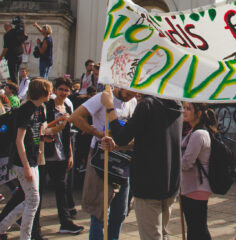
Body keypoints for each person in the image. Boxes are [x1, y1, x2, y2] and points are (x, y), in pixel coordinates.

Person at [100, 88, 182, 240]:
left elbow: (122, 136)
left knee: (152, 236)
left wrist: (110, 107)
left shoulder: (147, 105)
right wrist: (117, 146)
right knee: (162, 233)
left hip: (149, 183)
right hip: (170, 181)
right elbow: (150, 139)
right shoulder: (175, 104)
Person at [70, 87, 137, 240]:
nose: (129, 96)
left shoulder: (132, 102)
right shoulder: (103, 97)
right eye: (128, 91)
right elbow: (75, 117)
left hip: (123, 159)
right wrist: (97, 133)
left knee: (120, 211)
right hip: (102, 158)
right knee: (100, 212)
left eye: (133, 93)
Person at [0, 78, 53, 240]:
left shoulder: (39, 109)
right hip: (23, 162)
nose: (50, 94)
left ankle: (3, 226)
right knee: (33, 200)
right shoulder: (26, 110)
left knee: (31, 200)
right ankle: (24, 236)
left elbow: (34, 135)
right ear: (42, 93)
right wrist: (26, 166)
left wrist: (42, 139)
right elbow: (19, 140)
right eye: (49, 91)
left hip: (32, 159)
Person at [40, 77, 83, 234]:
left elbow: (67, 134)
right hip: (46, 152)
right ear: (55, 90)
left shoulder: (67, 107)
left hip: (62, 153)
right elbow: (41, 128)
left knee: (62, 188)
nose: (64, 93)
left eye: (66, 90)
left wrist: (70, 154)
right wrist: (58, 120)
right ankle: (32, 224)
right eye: (61, 89)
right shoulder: (47, 105)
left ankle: (65, 221)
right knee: (39, 189)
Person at [181, 103, 216, 240]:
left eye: (188, 109)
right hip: (192, 186)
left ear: (199, 113)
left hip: (195, 187)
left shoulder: (199, 134)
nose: (184, 111)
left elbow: (186, 163)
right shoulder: (194, 131)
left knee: (197, 229)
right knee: (196, 228)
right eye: (184, 108)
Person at [0, 18, 27, 84]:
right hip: (20, 55)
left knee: (12, 74)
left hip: (12, 56)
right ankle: (17, 86)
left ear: (5, 28)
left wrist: (0, 57)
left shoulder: (7, 35)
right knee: (16, 73)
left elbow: (6, 48)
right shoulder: (17, 32)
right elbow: (25, 37)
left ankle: (14, 89)